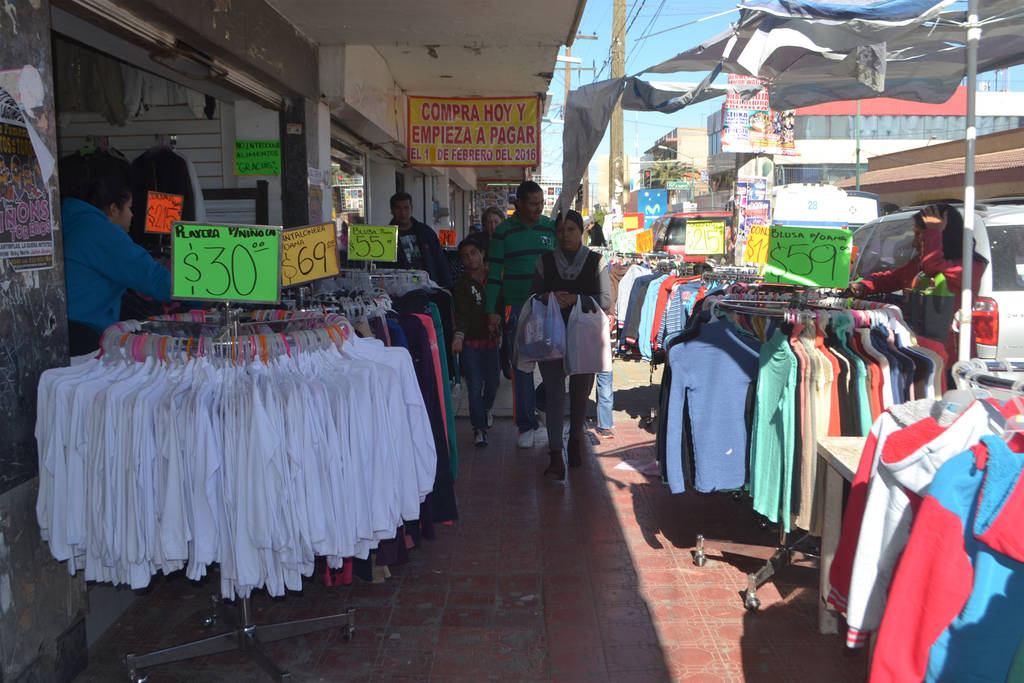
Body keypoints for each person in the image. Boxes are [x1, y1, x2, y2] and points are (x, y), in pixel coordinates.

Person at [530, 210, 612, 480]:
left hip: (585, 337)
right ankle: (555, 455)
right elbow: (533, 295)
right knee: (554, 395)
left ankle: (575, 440)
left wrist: (577, 299)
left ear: (582, 232)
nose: (565, 235)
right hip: (551, 337)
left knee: (580, 394)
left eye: (571, 230)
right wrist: (549, 297)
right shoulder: (544, 261)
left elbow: (606, 301)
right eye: (561, 230)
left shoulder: (596, 261)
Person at [848, 203, 987, 359]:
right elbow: (894, 279)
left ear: (942, 235)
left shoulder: (970, 266)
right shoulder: (924, 261)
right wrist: (864, 285)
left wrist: (933, 232)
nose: (914, 243)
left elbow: (933, 267)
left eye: (920, 235)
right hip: (923, 349)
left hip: (954, 355)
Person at [62, 174, 172, 355]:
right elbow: (151, 277)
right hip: (83, 332)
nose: (132, 215)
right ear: (113, 209)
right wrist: (197, 290)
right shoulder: (101, 231)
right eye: (129, 208)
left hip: (59, 327)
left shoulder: (71, 221)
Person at [486, 180, 556, 448]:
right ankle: (526, 425)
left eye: (541, 203)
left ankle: (540, 402)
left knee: (556, 365)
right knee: (522, 369)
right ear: (519, 204)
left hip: (549, 308)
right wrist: (491, 311)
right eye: (533, 204)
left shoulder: (551, 228)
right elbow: (494, 275)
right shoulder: (503, 232)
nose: (539, 208)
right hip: (516, 309)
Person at [452, 235, 500, 448]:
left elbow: (503, 302)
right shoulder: (462, 285)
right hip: (471, 343)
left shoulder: (495, 278)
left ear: (482, 254)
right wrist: (459, 336)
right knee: (473, 386)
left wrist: (499, 318)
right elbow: (462, 315)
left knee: (493, 383)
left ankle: (487, 408)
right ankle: (479, 428)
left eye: (473, 253)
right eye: (465, 256)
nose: (470, 258)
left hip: (492, 342)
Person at [390, 191, 452, 288]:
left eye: (406, 208)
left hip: (429, 287)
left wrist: (447, 287)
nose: (403, 213)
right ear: (392, 210)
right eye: (398, 208)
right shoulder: (387, 235)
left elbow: (440, 261)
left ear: (412, 208)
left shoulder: (426, 232)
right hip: (399, 289)